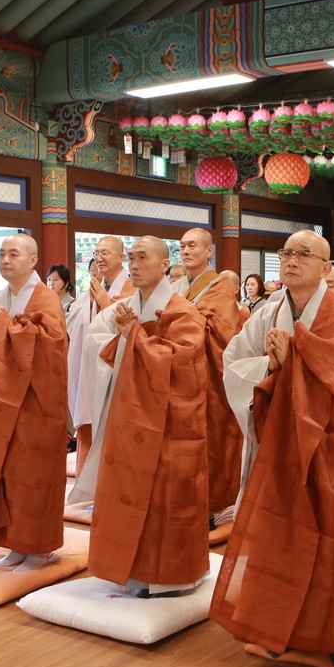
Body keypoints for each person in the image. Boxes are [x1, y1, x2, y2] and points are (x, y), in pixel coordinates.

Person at [213, 230, 334, 667]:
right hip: (282, 442)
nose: (292, 261)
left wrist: (299, 357)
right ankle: (282, 624)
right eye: (286, 253)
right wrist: (273, 365)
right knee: (281, 534)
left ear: (326, 267)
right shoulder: (268, 312)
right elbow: (234, 362)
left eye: (304, 254)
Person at [76, 236, 210, 595]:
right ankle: (131, 571)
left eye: (142, 257)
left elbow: (183, 361)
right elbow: (95, 340)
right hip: (130, 415)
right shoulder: (125, 305)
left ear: (165, 264)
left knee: (165, 499)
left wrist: (133, 336)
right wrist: (126, 337)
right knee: (127, 493)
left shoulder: (183, 311)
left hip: (169, 424)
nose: (134, 265)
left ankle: (170, 579)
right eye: (131, 258)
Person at [0, 233, 67, 570]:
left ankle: (37, 547)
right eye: (2, 254)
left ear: (33, 260)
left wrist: (5, 325)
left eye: (14, 254)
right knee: (5, 472)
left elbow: (51, 344)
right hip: (0, 401)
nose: (5, 260)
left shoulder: (46, 299)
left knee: (32, 475)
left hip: (34, 403)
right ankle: (15, 545)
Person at [169, 227, 244, 523]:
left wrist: (182, 318)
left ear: (209, 251)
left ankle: (217, 503)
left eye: (192, 246)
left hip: (211, 374)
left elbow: (220, 326)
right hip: (184, 370)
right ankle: (189, 500)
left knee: (214, 437)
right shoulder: (178, 285)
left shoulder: (221, 284)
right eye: (182, 246)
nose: (186, 251)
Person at [67, 238, 131, 476]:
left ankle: (111, 481)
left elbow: (132, 324)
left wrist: (105, 301)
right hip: (92, 364)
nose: (100, 258)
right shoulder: (96, 285)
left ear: (121, 257)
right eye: (97, 253)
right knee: (90, 415)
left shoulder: (132, 286)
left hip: (117, 367)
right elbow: (75, 320)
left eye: (106, 253)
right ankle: (88, 481)